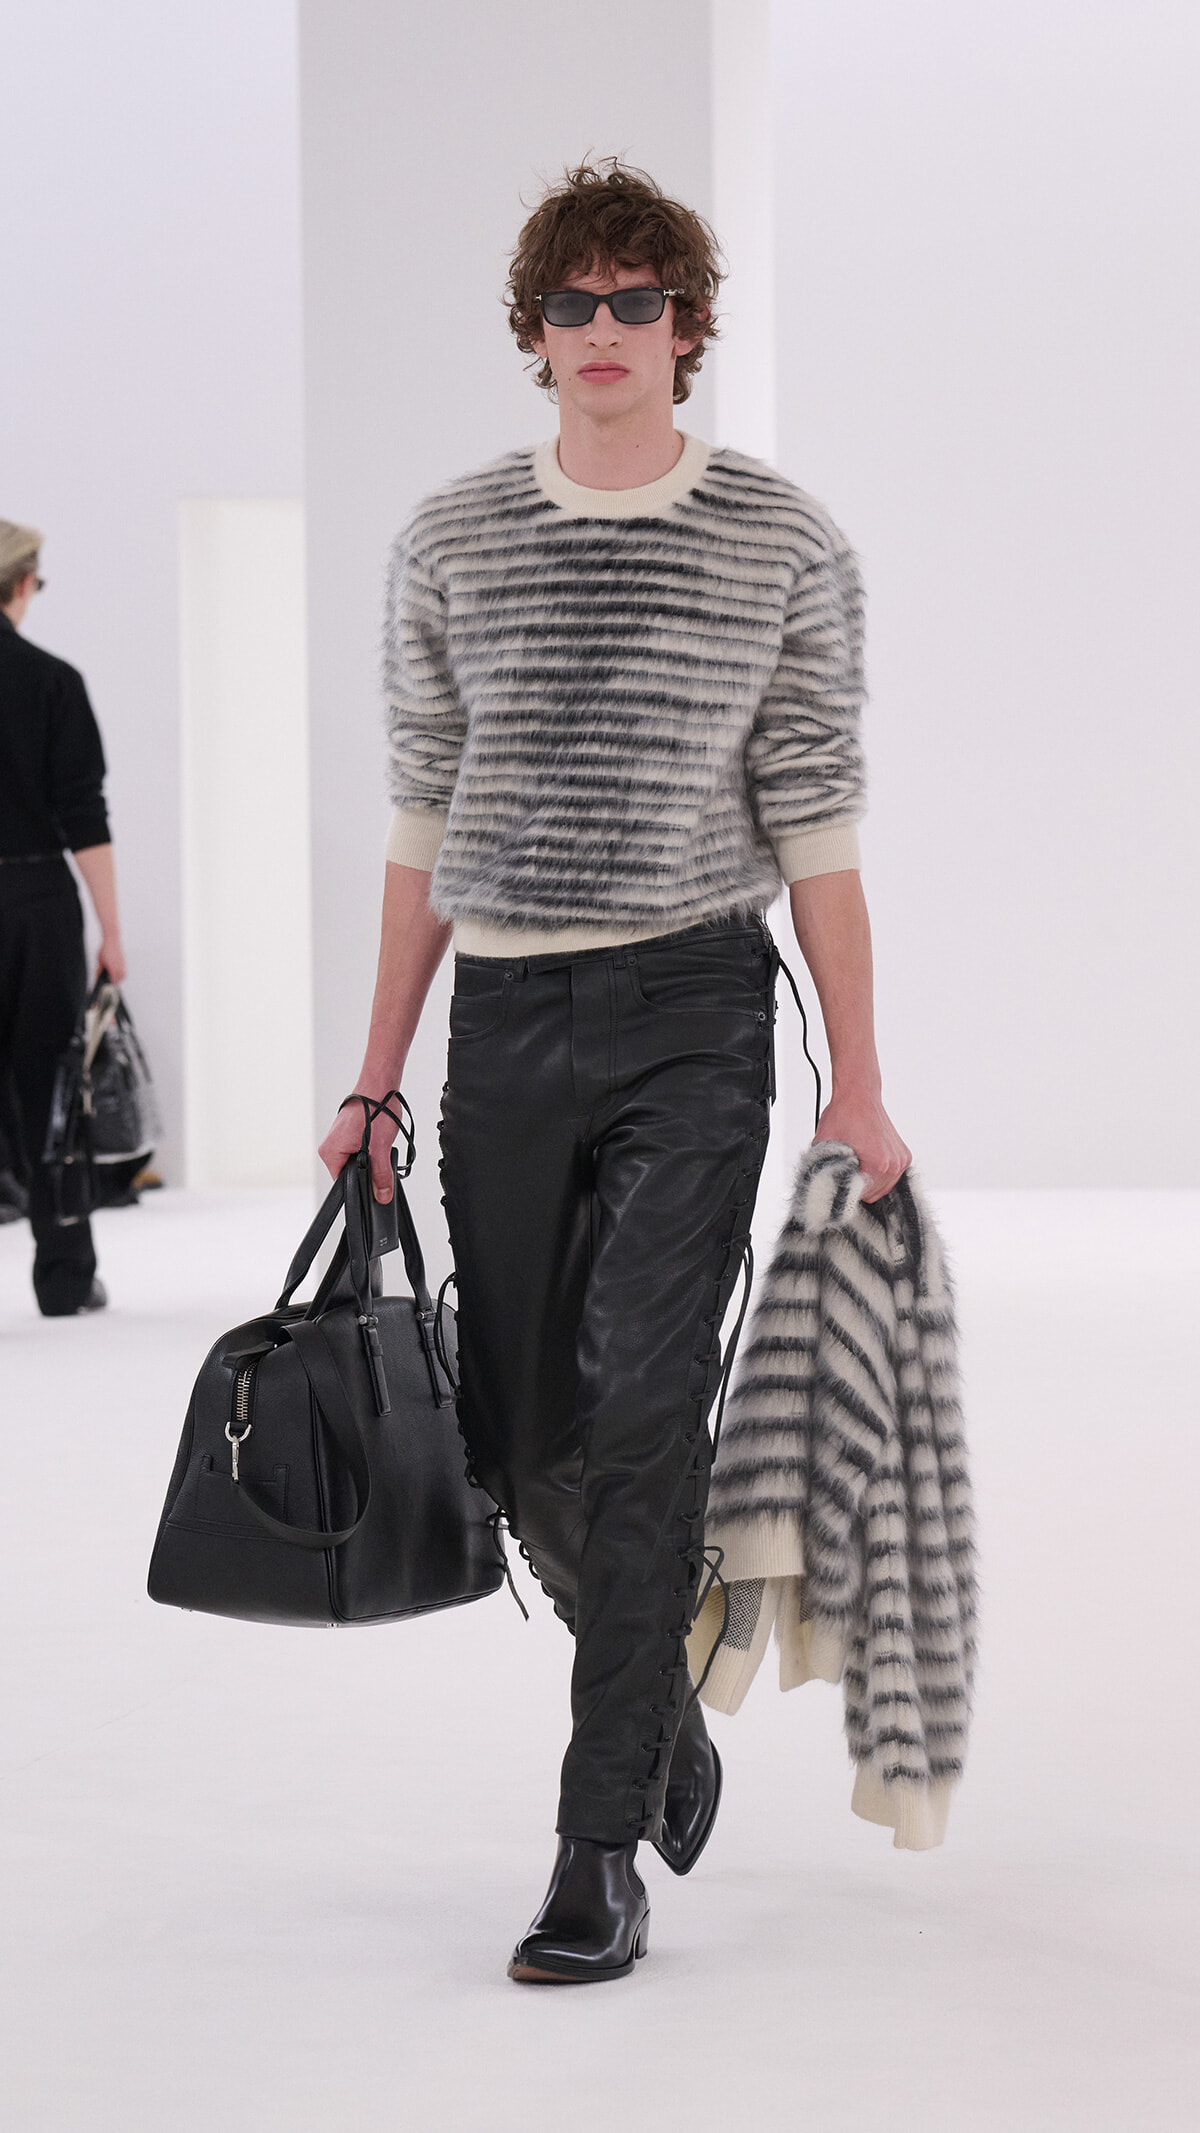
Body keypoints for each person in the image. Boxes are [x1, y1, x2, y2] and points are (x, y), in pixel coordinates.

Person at [319, 160, 910, 1984]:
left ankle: (594, 1853)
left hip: (693, 1011)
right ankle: (654, 1696)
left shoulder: (780, 539)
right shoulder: (452, 538)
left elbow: (819, 827)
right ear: (534, 330)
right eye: (571, 303)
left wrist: (861, 1083)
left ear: (687, 325)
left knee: (647, 1409)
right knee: (513, 1435)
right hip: (502, 1019)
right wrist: (372, 1076)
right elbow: (422, 821)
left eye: (634, 300)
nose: (602, 330)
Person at [0, 520, 126, 1314]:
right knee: (52, 1085)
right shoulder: (52, 681)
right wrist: (112, 931)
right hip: (35, 899)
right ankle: (64, 1277)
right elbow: (84, 815)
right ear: (21, 583)